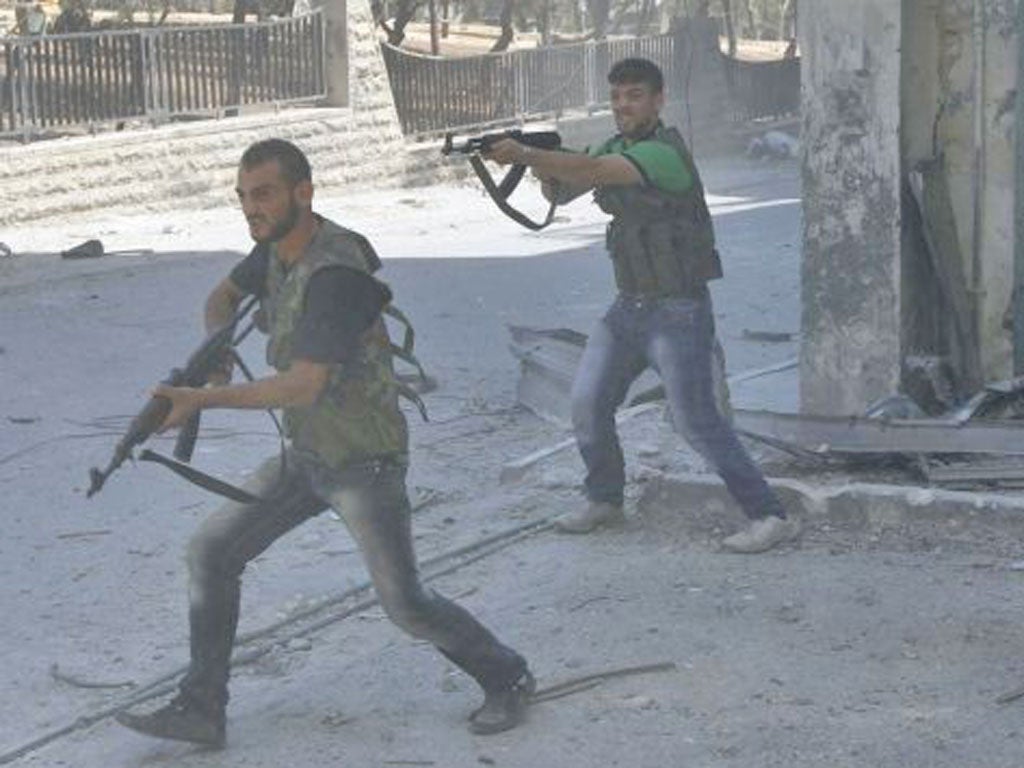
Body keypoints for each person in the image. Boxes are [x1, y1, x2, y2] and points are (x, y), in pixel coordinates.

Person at [115, 139, 534, 749]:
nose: (251, 209)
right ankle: (201, 708)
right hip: (308, 455)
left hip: (363, 461)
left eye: (263, 194)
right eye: (243, 197)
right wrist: (218, 354)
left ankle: (509, 675)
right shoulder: (276, 249)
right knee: (211, 552)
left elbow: (304, 385)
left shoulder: (336, 272)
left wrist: (200, 400)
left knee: (407, 605)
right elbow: (221, 299)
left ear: (303, 193)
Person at [484, 58, 797, 554]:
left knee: (696, 422)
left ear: (657, 100)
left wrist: (526, 152)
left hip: (678, 311)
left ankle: (768, 514)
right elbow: (565, 190)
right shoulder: (617, 146)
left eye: (634, 95)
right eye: (616, 97)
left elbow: (588, 169)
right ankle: (604, 499)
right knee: (587, 404)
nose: (623, 106)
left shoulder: (665, 154)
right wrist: (539, 162)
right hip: (628, 308)